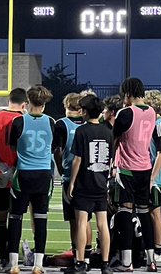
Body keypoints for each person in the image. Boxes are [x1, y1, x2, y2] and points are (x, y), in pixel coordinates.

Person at [111, 77, 161, 273]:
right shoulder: (152, 112)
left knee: (125, 213)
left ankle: (127, 262)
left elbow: (114, 139)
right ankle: (151, 260)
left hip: (127, 168)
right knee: (144, 213)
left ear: (128, 93)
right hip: (145, 167)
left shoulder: (125, 112)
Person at [6, 85, 60, 274]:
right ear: (44, 104)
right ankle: (38, 264)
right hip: (43, 174)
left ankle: (13, 264)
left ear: (28, 102)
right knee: (41, 219)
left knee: (15, 218)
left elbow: (12, 146)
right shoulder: (52, 122)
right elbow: (54, 147)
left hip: (23, 174)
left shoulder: (19, 121)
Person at [69, 94, 113, 274]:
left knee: (81, 222)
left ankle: (80, 262)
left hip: (85, 182)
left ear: (85, 112)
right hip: (101, 182)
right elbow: (110, 159)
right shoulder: (107, 131)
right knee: (102, 223)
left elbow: (77, 159)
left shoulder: (82, 131)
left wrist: (72, 182)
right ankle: (105, 263)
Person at [0, 88, 27, 265]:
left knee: (0, 218)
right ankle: (13, 259)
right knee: (16, 217)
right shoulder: (24, 119)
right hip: (20, 174)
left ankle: (2, 258)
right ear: (24, 104)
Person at [55, 91, 89, 262]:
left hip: (70, 175)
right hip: (89, 176)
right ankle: (87, 252)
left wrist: (61, 169)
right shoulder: (88, 123)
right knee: (86, 218)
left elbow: (57, 151)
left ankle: (77, 251)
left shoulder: (62, 124)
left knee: (73, 220)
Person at [142, 90, 161, 267]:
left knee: (156, 214)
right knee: (160, 213)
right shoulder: (156, 123)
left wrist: (152, 177)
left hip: (158, 176)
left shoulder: (159, 124)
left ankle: (158, 249)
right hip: (159, 175)